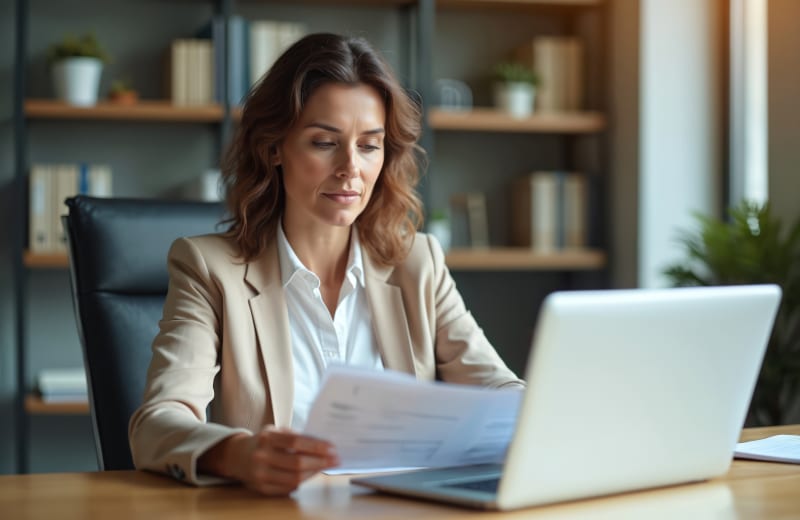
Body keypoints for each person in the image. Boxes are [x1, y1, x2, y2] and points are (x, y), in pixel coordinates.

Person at [128, 32, 523, 497]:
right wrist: (239, 455)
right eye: (323, 142)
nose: (350, 168)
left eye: (369, 145)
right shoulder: (211, 268)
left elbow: (498, 389)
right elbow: (157, 423)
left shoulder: (418, 262)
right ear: (274, 148)